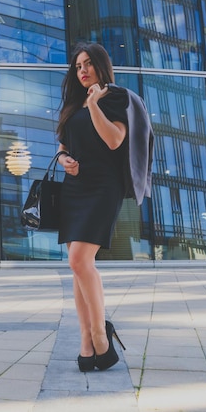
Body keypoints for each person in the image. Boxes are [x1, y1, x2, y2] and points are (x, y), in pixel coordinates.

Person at [55, 42, 152, 372]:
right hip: (75, 188)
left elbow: (114, 140)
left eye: (87, 64)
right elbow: (64, 144)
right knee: (78, 265)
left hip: (102, 188)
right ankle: (86, 339)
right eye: (77, 66)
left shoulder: (116, 99)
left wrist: (95, 103)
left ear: (100, 64)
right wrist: (63, 158)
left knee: (79, 259)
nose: (82, 71)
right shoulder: (71, 104)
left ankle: (100, 334)